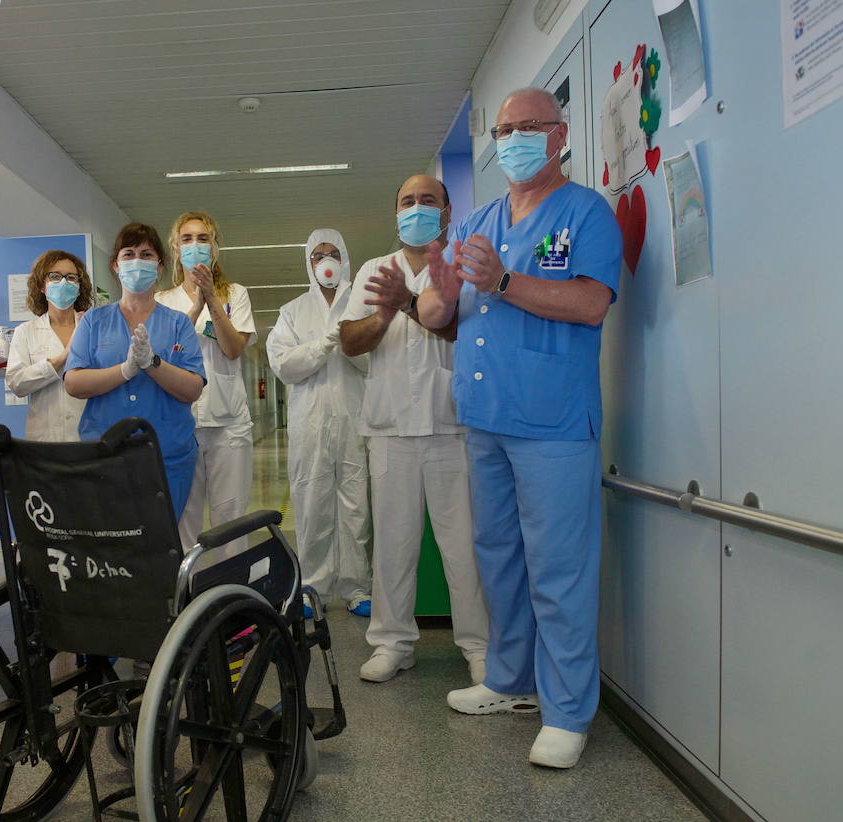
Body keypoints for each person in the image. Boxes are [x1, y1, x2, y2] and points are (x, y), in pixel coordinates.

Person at [418, 87, 624, 770]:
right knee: (499, 557)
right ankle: (510, 681)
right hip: (485, 419)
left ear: (559, 134)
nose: (511, 140)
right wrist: (441, 294)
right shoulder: (478, 218)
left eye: (525, 127)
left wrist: (504, 281)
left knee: (559, 570)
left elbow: (592, 302)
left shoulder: (587, 212)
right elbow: (440, 314)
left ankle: (567, 711)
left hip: (554, 425)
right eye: (503, 130)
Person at [339, 175, 490, 685]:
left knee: (463, 546)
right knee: (394, 545)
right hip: (390, 430)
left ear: (447, 212)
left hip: (453, 426)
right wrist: (384, 312)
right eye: (407, 201)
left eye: (428, 201)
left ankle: (479, 646)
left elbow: (461, 329)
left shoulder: (464, 266)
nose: (417, 208)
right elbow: (350, 342)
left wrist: (407, 301)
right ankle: (392, 643)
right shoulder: (372, 271)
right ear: (395, 213)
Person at [63, 223, 205, 518]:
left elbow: (192, 389)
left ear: (160, 265)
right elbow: (74, 382)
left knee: (161, 544)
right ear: (115, 265)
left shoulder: (178, 323)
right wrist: (126, 370)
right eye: (128, 254)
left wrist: (152, 363)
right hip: (105, 455)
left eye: (146, 254)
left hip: (167, 456)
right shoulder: (93, 321)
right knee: (112, 547)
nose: (137, 260)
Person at [266, 229, 372, 617]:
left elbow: (373, 360)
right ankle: (312, 586)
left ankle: (358, 587)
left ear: (344, 259)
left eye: (332, 254)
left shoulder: (362, 305)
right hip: (309, 425)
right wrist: (323, 344)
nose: (325, 262)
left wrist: (348, 343)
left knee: (356, 505)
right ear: (308, 264)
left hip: (355, 420)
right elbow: (284, 366)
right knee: (312, 505)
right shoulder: (292, 312)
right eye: (317, 256)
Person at [157, 211, 256, 550]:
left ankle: (232, 597)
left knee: (231, 519)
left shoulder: (235, 295)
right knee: (185, 518)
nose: (195, 245)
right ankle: (192, 594)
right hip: (181, 424)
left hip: (229, 423)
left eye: (203, 238)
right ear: (175, 248)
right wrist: (196, 308)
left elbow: (233, 349)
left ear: (215, 248)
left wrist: (212, 299)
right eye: (187, 239)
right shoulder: (161, 301)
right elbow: (164, 355)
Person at [5, 250, 93, 441]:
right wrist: (61, 359)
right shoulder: (26, 332)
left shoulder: (92, 328)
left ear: (79, 287)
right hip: (45, 439)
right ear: (42, 286)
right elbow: (17, 383)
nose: (63, 282)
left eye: (71, 278)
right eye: (54, 276)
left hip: (88, 436)